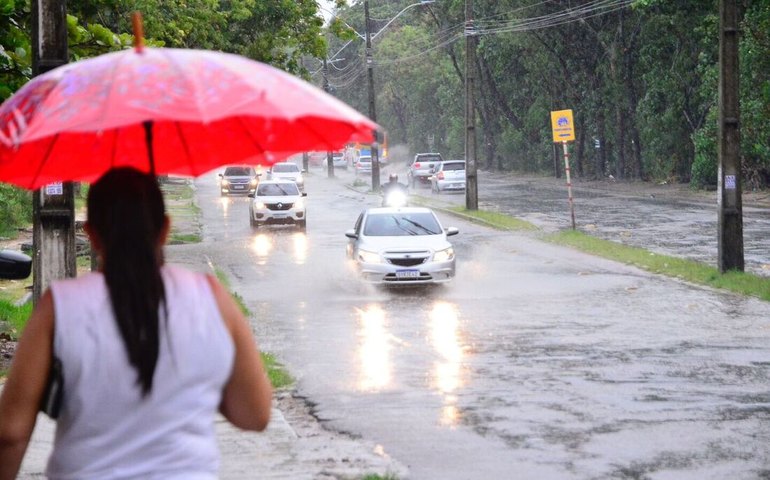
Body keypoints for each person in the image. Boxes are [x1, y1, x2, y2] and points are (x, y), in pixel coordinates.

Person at [0, 167, 273, 479]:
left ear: (91, 233)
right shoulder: (212, 298)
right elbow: (255, 414)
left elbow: (11, 433)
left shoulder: (59, 306)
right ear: (165, 229)